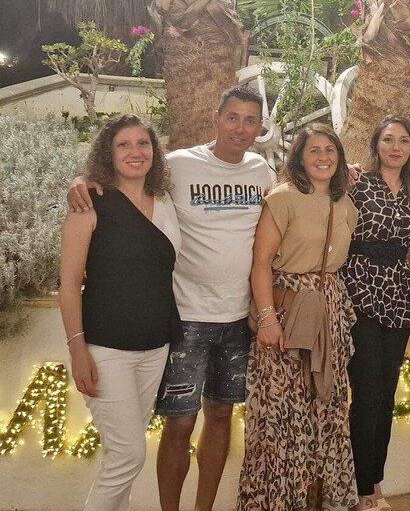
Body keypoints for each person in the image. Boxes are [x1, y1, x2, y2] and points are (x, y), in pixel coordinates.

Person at [69, 86, 275, 511]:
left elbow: (301, 193)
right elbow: (123, 177)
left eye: (250, 120)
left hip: (239, 319)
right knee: (178, 425)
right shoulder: (180, 165)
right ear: (216, 119)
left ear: (260, 128)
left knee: (221, 417)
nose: (240, 128)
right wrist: (80, 182)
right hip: (184, 320)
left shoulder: (262, 172)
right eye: (232, 117)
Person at [59, 114, 181, 510]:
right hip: (105, 349)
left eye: (143, 143)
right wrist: (77, 350)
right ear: (107, 154)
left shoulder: (165, 200)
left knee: (122, 459)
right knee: (129, 455)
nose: (135, 152)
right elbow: (69, 284)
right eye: (123, 145)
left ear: (154, 150)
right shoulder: (88, 202)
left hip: (155, 346)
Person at [238, 123, 360, 510]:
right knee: (283, 412)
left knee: (327, 407)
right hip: (288, 312)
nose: (323, 157)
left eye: (330, 150)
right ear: (300, 158)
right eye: (314, 151)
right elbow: (260, 264)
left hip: (328, 313)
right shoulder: (283, 198)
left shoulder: (345, 203)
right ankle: (278, 501)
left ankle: (321, 499)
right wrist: (268, 319)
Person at [343, 116, 410, 511]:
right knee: (366, 392)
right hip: (360, 290)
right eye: (388, 139)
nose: (395, 147)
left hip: (399, 294)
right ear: (376, 144)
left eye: (403, 140)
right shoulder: (357, 183)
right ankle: (359, 488)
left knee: (386, 394)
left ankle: (374, 482)